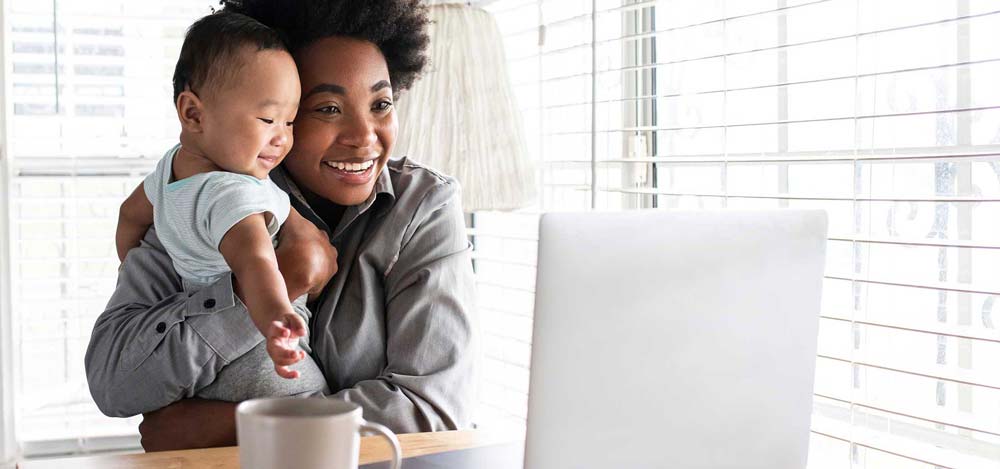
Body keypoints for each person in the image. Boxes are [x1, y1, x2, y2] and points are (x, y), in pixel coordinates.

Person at [84, 0, 478, 451]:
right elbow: (114, 380)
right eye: (327, 108)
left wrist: (231, 426)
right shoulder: (198, 196)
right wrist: (282, 281)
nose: (364, 136)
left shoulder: (423, 206)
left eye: (381, 104)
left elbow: (433, 411)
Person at [114, 10, 330, 403]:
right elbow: (256, 265)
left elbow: (130, 215)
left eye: (290, 122)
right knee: (318, 416)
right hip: (256, 357)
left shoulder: (169, 171)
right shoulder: (233, 196)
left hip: (201, 349)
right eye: (268, 119)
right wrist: (278, 322)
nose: (282, 138)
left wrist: (131, 270)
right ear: (193, 113)